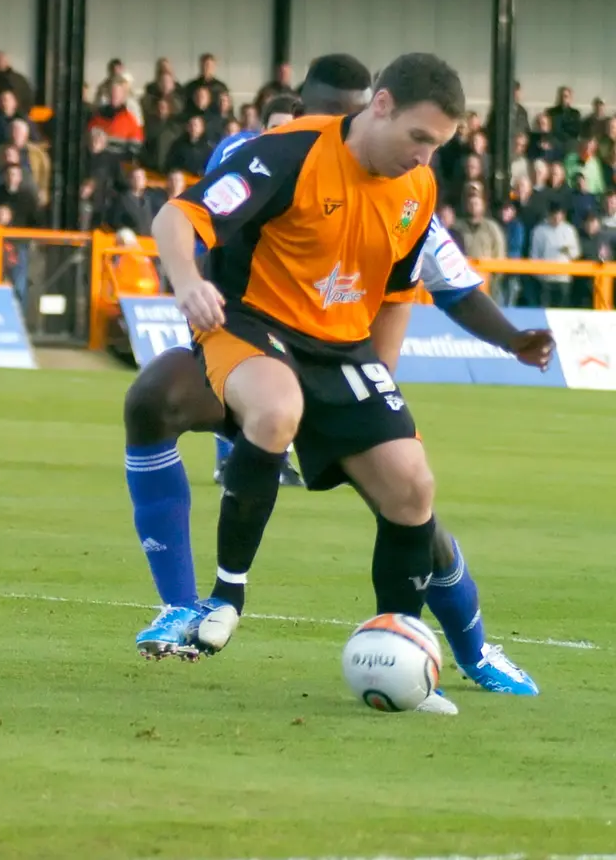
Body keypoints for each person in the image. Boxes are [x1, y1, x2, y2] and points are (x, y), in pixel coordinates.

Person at [125, 54, 550, 707]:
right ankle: (224, 599)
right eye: (418, 138)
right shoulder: (287, 154)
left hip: (343, 350)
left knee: (412, 489)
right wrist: (188, 284)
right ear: (380, 106)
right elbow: (175, 218)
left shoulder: (418, 187)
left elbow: (402, 290)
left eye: (437, 145)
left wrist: (403, 384)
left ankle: (404, 645)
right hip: (253, 324)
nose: (424, 156)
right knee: (270, 407)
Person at [200, 93, 306, 487]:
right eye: (274, 127)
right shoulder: (237, 152)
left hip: (281, 283)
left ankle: (276, 457)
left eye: (288, 128)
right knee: (230, 369)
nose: (280, 135)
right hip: (230, 279)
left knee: (285, 369)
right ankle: (228, 458)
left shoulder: (306, 157)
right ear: (262, 128)